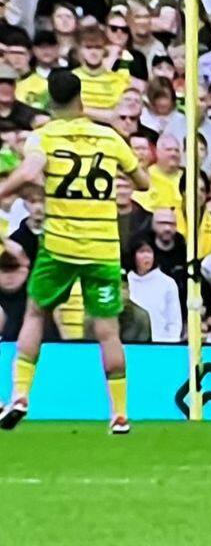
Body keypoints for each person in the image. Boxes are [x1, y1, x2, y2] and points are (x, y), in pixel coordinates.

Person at [0, 70, 150, 433]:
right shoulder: (108, 137)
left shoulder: (45, 137)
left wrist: (5, 188)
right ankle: (119, 414)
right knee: (107, 329)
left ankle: (20, 395)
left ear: (50, 101)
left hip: (60, 246)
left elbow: (30, 170)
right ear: (81, 96)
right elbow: (143, 183)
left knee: (36, 313)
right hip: (101, 247)